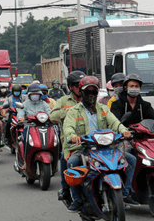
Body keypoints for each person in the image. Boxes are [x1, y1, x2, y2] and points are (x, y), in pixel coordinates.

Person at [63, 76, 138, 212]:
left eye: (94, 92)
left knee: (131, 160)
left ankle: (125, 194)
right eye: (88, 92)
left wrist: (124, 131)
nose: (91, 95)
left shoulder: (103, 108)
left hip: (106, 148)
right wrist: (73, 136)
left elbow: (115, 122)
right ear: (81, 92)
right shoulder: (73, 111)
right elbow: (68, 127)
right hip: (84, 148)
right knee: (72, 163)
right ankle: (77, 199)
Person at [50, 70, 85, 203]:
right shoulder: (64, 100)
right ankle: (66, 190)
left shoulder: (90, 99)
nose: (82, 89)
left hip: (90, 140)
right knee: (66, 159)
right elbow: (52, 116)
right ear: (71, 87)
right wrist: (70, 111)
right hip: (70, 142)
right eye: (78, 85)